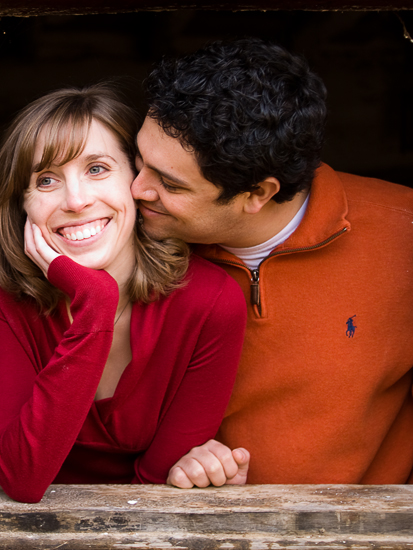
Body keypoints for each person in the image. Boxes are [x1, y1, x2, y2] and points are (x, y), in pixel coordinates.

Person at [132, 38, 413, 484]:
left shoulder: (404, 233)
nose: (136, 189)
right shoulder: (115, 238)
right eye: (138, 159)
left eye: (169, 183)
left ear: (258, 194)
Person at [0, 84, 249, 503]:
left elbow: (162, 488)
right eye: (46, 180)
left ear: (138, 181)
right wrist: (95, 304)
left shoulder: (210, 302)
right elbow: (20, 477)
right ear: (22, 205)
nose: (76, 200)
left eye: (97, 169)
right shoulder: (1, 285)